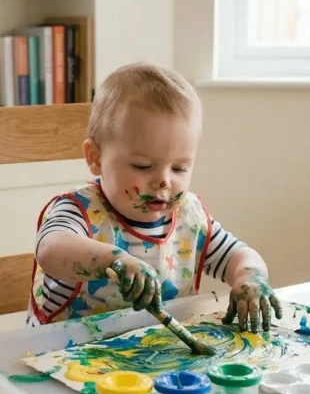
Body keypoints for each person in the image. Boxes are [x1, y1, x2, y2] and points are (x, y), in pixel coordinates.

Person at [28, 62, 283, 332]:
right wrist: (115, 260)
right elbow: (51, 250)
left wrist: (250, 278)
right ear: (96, 158)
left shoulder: (189, 220)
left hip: (153, 357)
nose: (164, 180)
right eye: (142, 166)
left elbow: (240, 256)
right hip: (64, 357)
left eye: (179, 168)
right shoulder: (79, 211)